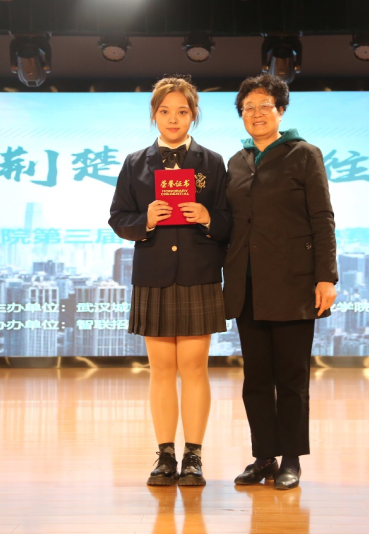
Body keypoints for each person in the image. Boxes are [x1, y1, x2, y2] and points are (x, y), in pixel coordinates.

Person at [109, 75, 231, 487]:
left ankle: (193, 456)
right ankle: (164, 456)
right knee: (161, 370)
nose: (173, 118)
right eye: (165, 111)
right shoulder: (135, 163)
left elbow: (230, 221)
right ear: (154, 114)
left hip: (199, 274)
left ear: (194, 114)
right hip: (154, 275)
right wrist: (145, 220)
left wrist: (208, 217)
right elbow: (118, 218)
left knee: (195, 368)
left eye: (182, 111)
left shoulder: (213, 163)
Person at [223, 74, 338, 490]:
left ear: (281, 110)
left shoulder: (304, 154)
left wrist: (326, 277)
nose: (256, 113)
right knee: (256, 379)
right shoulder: (236, 162)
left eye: (264, 105)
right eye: (248, 107)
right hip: (247, 286)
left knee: (291, 378)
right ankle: (263, 457)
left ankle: (291, 458)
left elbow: (322, 218)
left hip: (293, 284)